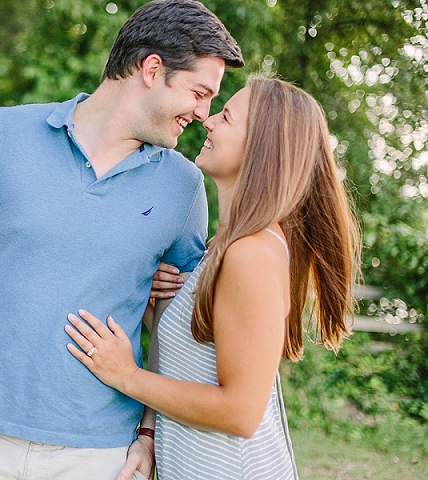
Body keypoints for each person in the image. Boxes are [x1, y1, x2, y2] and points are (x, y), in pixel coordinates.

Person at [0, 1, 243, 479]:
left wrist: (149, 436)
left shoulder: (184, 186)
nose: (204, 113)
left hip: (98, 459)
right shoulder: (5, 133)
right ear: (152, 69)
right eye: (199, 92)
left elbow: (172, 323)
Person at [65, 75, 361, 479]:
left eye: (227, 117)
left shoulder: (251, 252)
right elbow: (206, 353)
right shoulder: (228, 245)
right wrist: (157, 307)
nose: (208, 120)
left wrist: (127, 376)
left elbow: (240, 412)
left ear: (260, 148)